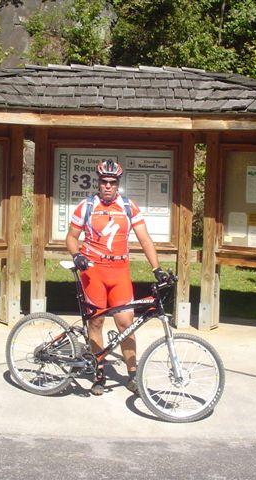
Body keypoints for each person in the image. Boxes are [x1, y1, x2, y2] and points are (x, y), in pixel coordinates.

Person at [65, 159, 169, 396]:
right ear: (98, 182)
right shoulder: (86, 206)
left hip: (120, 272)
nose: (108, 186)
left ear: (118, 183)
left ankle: (132, 374)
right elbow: (71, 238)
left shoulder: (128, 207)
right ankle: (99, 372)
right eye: (104, 182)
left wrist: (157, 268)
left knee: (125, 324)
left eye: (112, 182)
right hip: (93, 272)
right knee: (96, 322)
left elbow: (145, 239)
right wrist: (77, 255)